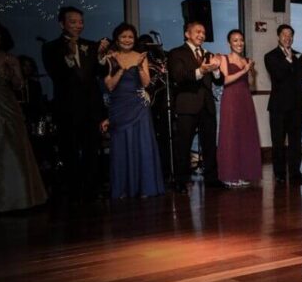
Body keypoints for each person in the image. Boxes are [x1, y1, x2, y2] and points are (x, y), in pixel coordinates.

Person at [0, 16, 48, 213]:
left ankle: (19, 198)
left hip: (8, 107)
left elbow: (19, 86)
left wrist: (13, 74)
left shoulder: (9, 58)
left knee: (14, 149)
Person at [41, 6, 108, 201]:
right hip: (67, 107)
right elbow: (57, 75)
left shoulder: (91, 45)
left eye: (81, 22)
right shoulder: (51, 48)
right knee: (68, 151)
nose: (78, 25)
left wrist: (101, 57)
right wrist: (69, 57)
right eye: (73, 22)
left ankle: (91, 191)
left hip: (91, 107)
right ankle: (73, 192)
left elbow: (101, 74)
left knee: (91, 151)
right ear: (62, 24)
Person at [103, 23, 165, 199]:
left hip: (139, 105)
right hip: (119, 106)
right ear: (117, 39)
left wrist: (138, 67)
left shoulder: (141, 56)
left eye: (130, 37)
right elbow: (109, 86)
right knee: (121, 146)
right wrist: (121, 70)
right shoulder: (111, 57)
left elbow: (146, 83)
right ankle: (123, 188)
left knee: (142, 144)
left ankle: (145, 187)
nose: (127, 40)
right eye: (123, 36)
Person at [168, 21, 224, 193]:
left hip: (207, 106)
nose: (201, 35)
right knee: (183, 145)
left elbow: (219, 81)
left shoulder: (208, 54)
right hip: (187, 105)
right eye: (198, 31)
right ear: (187, 34)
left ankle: (212, 179)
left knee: (209, 145)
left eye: (203, 32)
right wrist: (201, 70)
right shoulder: (176, 53)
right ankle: (181, 181)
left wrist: (216, 69)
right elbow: (178, 76)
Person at [264, 24, 302, 185]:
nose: (288, 37)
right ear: (278, 36)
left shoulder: (299, 55)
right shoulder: (270, 56)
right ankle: (279, 174)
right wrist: (290, 59)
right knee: (278, 142)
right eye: (284, 34)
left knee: (296, 141)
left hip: (297, 105)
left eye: (290, 35)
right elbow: (278, 74)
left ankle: (295, 173)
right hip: (278, 106)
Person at [217, 29, 262, 187]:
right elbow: (225, 80)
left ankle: (243, 173)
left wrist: (251, 72)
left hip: (245, 99)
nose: (239, 43)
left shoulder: (247, 60)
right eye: (235, 40)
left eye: (241, 40)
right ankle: (229, 175)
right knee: (231, 134)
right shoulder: (224, 59)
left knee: (245, 134)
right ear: (229, 43)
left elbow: (251, 85)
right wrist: (244, 70)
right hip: (230, 99)